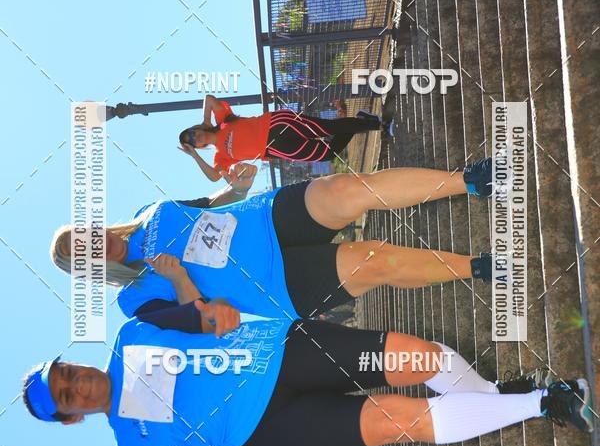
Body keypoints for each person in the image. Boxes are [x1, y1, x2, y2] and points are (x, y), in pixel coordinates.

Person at [22, 304, 593, 446]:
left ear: (72, 361)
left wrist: (215, 313)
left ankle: (498, 397)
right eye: (67, 394)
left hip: (286, 352)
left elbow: (202, 314)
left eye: (66, 372)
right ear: (72, 418)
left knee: (421, 357)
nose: (76, 383)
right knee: (402, 417)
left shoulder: (132, 332)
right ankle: (548, 403)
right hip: (277, 432)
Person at [50, 159, 500, 325]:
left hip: (263, 218)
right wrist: (181, 280)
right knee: (372, 261)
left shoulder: (148, 211)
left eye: (86, 234)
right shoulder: (133, 302)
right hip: (276, 285)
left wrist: (237, 187)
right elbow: (202, 326)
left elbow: (210, 202)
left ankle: (471, 180)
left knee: (348, 190)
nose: (95, 243)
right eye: (84, 253)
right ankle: (478, 267)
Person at [178, 95, 386, 180]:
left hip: (276, 124)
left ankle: (379, 125)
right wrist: (194, 156)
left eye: (193, 132)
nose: (196, 137)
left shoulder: (223, 121)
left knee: (327, 128)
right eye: (193, 141)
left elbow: (209, 99)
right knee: (326, 153)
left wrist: (206, 121)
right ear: (198, 146)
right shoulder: (220, 157)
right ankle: (361, 120)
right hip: (274, 149)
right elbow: (215, 177)